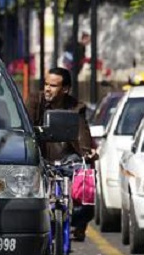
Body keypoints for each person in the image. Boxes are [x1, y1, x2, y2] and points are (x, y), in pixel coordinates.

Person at [26, 67, 96, 242]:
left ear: (65, 89)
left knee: (87, 176)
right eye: (46, 84)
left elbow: (82, 132)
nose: (48, 89)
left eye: (53, 85)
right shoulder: (35, 101)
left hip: (67, 158)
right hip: (40, 157)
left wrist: (88, 153)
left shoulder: (76, 107)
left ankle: (79, 224)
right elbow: (26, 128)